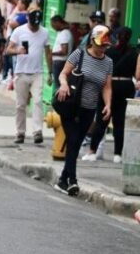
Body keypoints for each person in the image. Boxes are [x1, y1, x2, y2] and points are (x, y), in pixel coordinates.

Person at [54, 26, 113, 196]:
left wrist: (108, 104)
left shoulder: (108, 62)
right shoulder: (79, 54)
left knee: (76, 143)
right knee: (73, 139)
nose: (102, 48)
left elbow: (106, 86)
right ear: (92, 41)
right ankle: (73, 180)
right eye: (100, 44)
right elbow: (63, 74)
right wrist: (63, 85)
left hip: (89, 109)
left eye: (105, 45)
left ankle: (62, 180)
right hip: (71, 106)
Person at [81, 27, 136, 164]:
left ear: (116, 37)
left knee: (102, 120)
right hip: (126, 86)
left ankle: (92, 151)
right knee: (120, 122)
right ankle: (117, 154)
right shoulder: (134, 53)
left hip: (109, 85)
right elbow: (137, 74)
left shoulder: (109, 51)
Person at [6, 10, 52, 144]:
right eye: (32, 23)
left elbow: (48, 53)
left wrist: (50, 72)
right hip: (21, 72)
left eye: (37, 24)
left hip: (38, 72)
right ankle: (20, 132)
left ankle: (37, 131)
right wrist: (17, 51)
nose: (34, 27)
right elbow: (8, 50)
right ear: (28, 19)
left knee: (37, 101)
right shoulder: (19, 31)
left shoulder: (44, 32)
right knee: (20, 104)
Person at [50, 15, 73, 81]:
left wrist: (51, 53)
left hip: (60, 62)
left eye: (53, 25)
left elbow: (64, 51)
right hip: (60, 62)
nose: (52, 27)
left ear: (58, 22)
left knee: (58, 83)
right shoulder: (63, 32)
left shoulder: (64, 33)